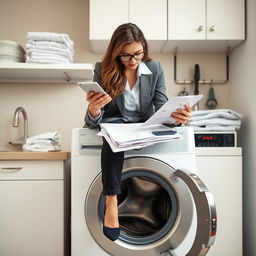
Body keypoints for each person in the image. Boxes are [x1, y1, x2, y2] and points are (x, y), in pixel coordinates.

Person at [84, 23, 192, 241]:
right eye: (125, 56)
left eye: (137, 54)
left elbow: (163, 107)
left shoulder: (156, 69)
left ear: (144, 48)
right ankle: (111, 201)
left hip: (145, 128)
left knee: (118, 136)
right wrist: (93, 109)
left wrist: (179, 119)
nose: (132, 61)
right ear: (116, 53)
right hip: (117, 128)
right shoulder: (102, 69)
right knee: (111, 138)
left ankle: (112, 198)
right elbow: (93, 123)